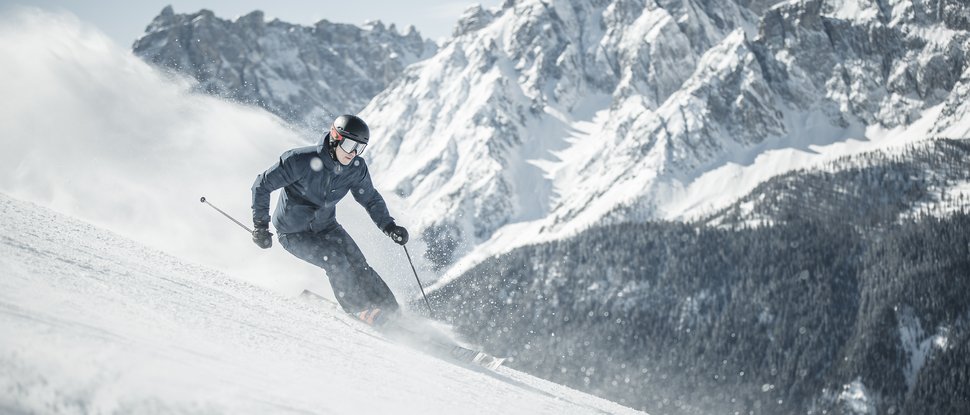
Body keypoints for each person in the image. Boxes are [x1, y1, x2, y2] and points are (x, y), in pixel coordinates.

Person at [250, 114, 409, 326]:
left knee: (358, 264)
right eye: (350, 144)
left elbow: (370, 198)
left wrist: (389, 226)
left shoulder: (355, 168)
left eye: (359, 148)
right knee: (335, 260)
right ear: (335, 137)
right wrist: (260, 225)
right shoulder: (299, 161)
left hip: (327, 227)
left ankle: (393, 314)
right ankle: (358, 308)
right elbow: (262, 185)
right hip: (293, 234)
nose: (353, 153)